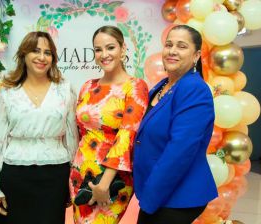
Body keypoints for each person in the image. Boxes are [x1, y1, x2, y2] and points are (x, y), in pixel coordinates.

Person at [0, 31, 78, 224]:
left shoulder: (64, 89)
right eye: (36, 51)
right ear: (24, 54)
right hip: (15, 176)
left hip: (55, 176)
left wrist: (72, 184)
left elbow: (72, 139)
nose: (42, 57)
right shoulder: (8, 91)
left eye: (48, 52)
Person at [133, 25, 218, 224]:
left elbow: (180, 150)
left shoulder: (194, 88)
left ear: (196, 55)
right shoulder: (163, 86)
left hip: (177, 194)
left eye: (181, 46)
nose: (172, 51)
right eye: (169, 44)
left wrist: (150, 198)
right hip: (159, 189)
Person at [69, 25, 149, 223]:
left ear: (123, 49)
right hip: (81, 173)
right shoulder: (88, 86)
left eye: (110, 47)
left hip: (112, 179)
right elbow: (80, 133)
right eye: (98, 49)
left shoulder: (135, 86)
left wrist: (104, 184)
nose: (104, 54)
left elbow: (127, 135)